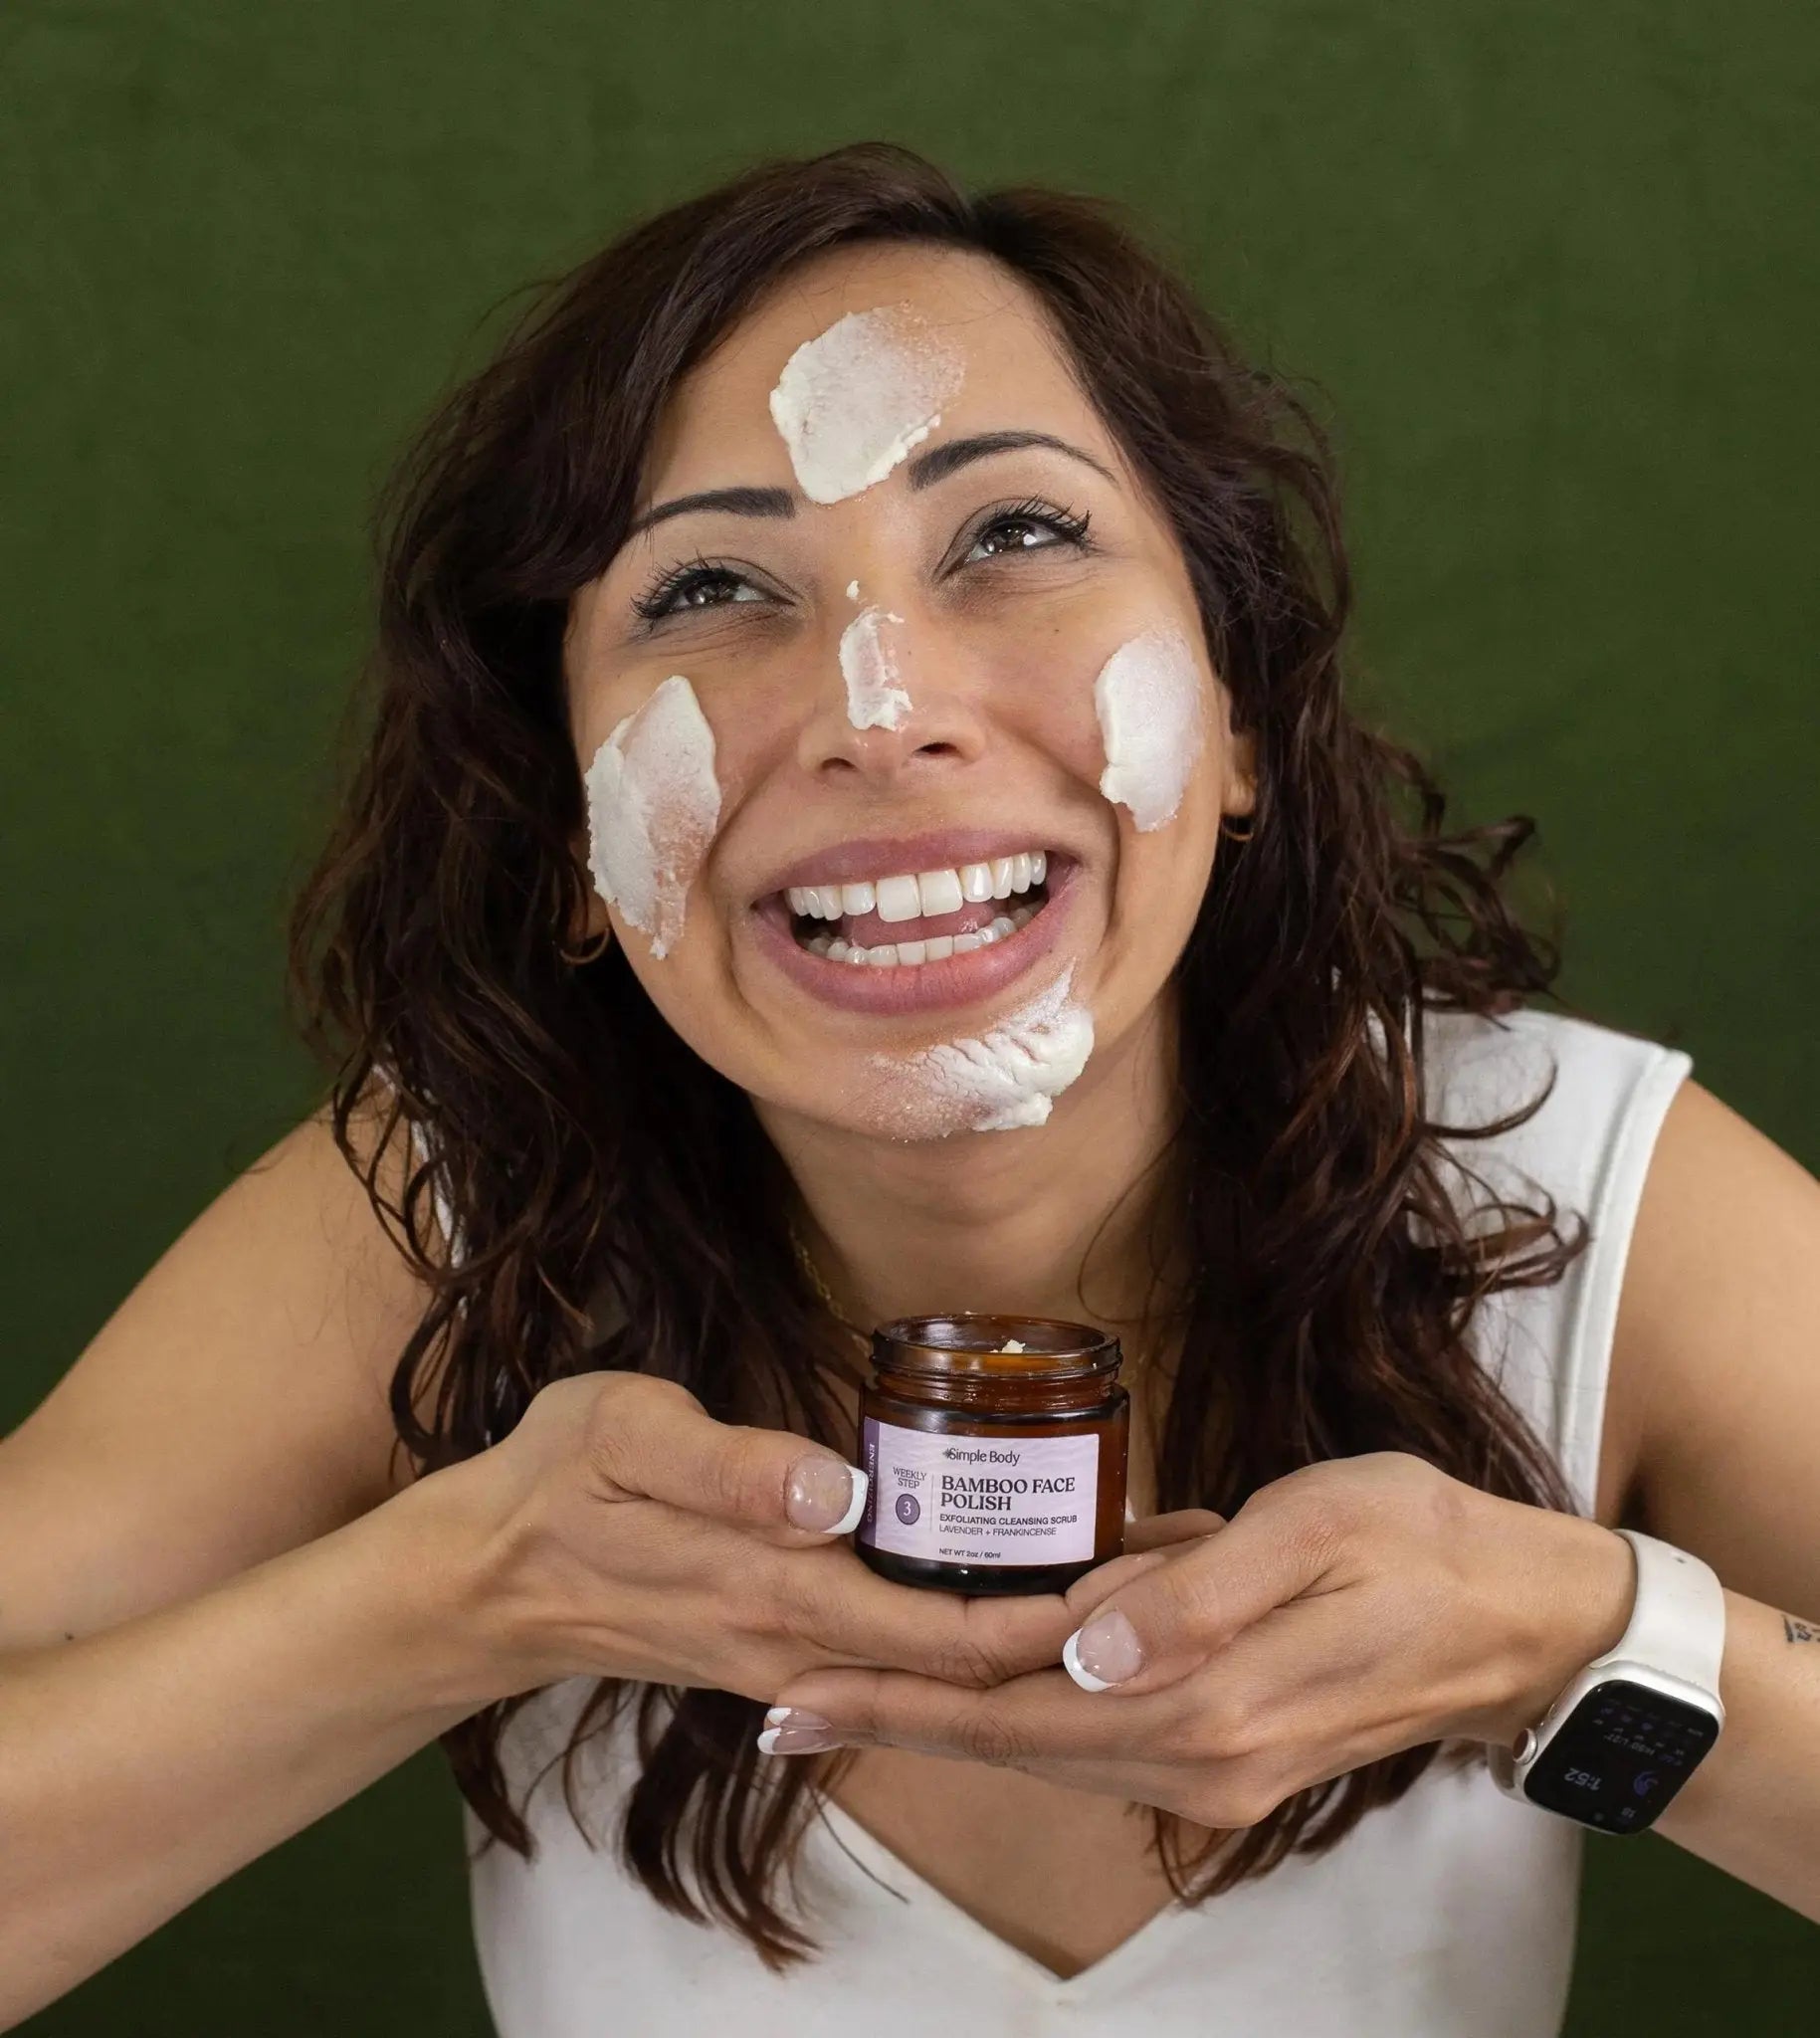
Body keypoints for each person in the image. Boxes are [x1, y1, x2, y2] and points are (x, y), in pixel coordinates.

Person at [2, 141, 1816, 2036]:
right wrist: (458, 1596)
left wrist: (1581, 1644)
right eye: (709, 585)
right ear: (562, 838)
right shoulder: (450, 1217)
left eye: (1014, 539)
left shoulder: (1567, 1184)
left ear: (1240, 715)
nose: (880, 708)